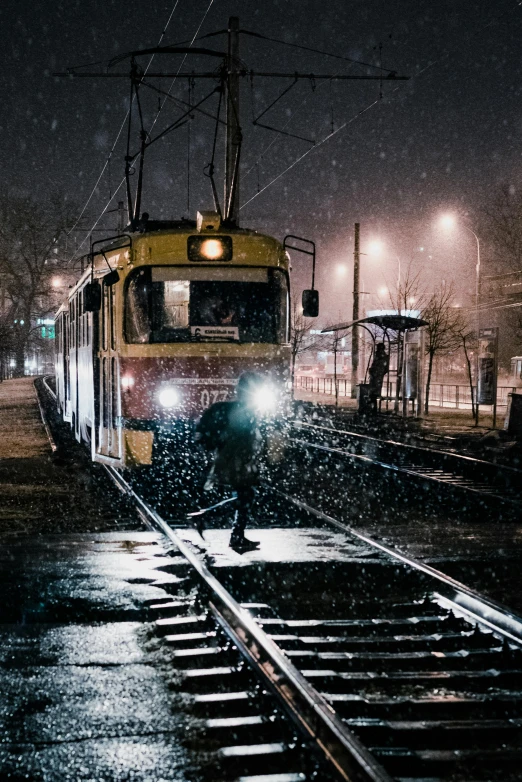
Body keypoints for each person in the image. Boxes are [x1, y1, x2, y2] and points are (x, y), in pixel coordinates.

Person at [195, 372, 263, 551]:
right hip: (234, 461)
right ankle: (207, 518)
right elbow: (240, 439)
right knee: (246, 496)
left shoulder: (237, 408)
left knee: (245, 496)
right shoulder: (241, 411)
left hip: (234, 460)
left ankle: (234, 534)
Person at [368, 342, 389, 413]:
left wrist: (372, 371)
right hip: (378, 377)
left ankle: (373, 409)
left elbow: (375, 365)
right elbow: (385, 369)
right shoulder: (384, 357)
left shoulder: (379, 356)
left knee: (373, 394)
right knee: (374, 393)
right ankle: (373, 409)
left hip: (375, 377)